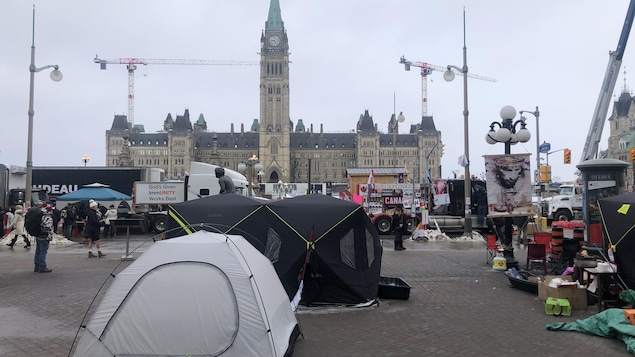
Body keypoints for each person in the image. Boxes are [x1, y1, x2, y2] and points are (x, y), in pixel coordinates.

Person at [34, 203, 54, 273]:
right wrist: (49, 232)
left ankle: (37, 266)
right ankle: (42, 267)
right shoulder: (47, 217)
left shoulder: (39, 215)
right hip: (44, 236)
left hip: (38, 235)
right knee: (43, 252)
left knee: (38, 251)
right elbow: (47, 227)